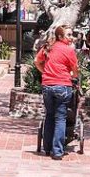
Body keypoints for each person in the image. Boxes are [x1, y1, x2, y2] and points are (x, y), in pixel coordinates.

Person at [35, 25, 79, 160]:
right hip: (63, 86)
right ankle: (58, 151)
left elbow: (37, 61)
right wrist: (74, 76)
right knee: (60, 118)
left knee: (49, 115)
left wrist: (45, 72)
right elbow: (75, 68)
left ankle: (47, 148)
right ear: (60, 36)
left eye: (72, 34)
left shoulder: (48, 47)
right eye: (69, 35)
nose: (71, 37)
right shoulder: (68, 50)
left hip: (47, 86)